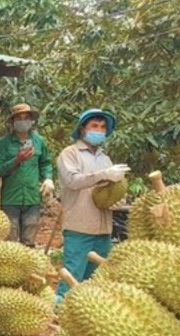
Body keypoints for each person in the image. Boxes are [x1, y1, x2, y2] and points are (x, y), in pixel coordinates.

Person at [55, 109, 129, 304]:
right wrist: (104, 174)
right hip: (79, 226)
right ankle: (60, 314)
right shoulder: (69, 154)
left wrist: (117, 200)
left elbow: (110, 190)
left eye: (103, 127)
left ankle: (86, 317)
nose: (99, 130)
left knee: (95, 279)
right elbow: (72, 181)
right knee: (72, 275)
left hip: (104, 228)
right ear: (82, 129)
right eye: (94, 126)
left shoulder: (105, 159)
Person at [0, 103, 54, 246]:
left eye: (26, 118)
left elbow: (45, 162)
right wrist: (17, 160)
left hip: (32, 197)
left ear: (31, 120)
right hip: (11, 198)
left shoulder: (39, 141)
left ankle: (27, 267)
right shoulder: (3, 143)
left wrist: (48, 178)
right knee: (10, 240)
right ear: (13, 122)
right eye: (19, 118)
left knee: (29, 240)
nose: (23, 121)